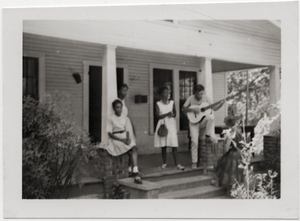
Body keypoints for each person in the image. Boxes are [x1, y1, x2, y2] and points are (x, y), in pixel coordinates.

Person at [182, 84, 225, 169]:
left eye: (201, 94)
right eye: (198, 94)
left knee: (211, 117)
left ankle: (208, 135)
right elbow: (183, 109)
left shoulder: (206, 98)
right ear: (195, 93)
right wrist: (192, 109)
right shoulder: (190, 98)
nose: (200, 96)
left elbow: (214, 108)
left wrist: (221, 104)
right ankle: (194, 162)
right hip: (193, 122)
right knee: (194, 142)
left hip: (202, 121)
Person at [106, 99, 142, 184]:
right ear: (114, 109)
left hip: (124, 137)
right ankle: (135, 173)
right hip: (116, 139)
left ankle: (134, 171)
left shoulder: (125, 118)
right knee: (132, 150)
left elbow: (128, 130)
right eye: (117, 108)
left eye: (120, 107)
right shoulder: (111, 119)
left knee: (134, 148)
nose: (119, 109)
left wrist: (128, 138)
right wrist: (121, 140)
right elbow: (110, 134)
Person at [154, 86, 185, 170]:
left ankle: (177, 163)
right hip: (163, 124)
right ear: (161, 94)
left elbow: (175, 113)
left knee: (174, 144)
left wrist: (172, 115)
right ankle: (164, 163)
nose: (167, 94)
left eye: (168, 92)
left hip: (171, 124)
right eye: (165, 92)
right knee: (164, 145)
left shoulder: (172, 102)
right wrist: (166, 114)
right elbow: (157, 116)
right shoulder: (158, 104)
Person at [213, 115, 244, 196]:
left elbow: (226, 148)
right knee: (236, 173)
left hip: (232, 154)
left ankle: (227, 190)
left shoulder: (231, 132)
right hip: (239, 154)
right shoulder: (239, 129)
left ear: (228, 124)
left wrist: (224, 151)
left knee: (223, 167)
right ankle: (236, 192)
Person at [117, 84, 137, 176]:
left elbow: (127, 116)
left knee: (132, 147)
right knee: (131, 148)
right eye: (124, 90)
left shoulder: (123, 101)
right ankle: (132, 170)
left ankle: (130, 169)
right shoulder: (116, 101)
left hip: (127, 125)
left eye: (126, 90)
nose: (125, 92)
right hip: (121, 127)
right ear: (119, 91)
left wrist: (133, 127)